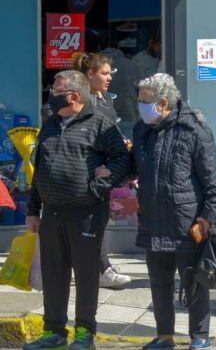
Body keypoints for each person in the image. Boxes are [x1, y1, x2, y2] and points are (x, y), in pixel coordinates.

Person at [24, 70, 131, 350]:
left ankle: (85, 333)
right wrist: (33, 209)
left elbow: (123, 160)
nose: (51, 94)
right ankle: (54, 332)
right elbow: (40, 170)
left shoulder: (100, 123)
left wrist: (99, 187)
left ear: (73, 96)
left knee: (85, 275)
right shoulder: (50, 123)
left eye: (57, 90)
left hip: (87, 213)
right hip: (52, 212)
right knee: (53, 273)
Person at [131, 73, 216, 350]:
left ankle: (199, 336)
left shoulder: (194, 130)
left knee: (194, 283)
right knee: (159, 283)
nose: (140, 106)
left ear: (163, 103)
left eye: (144, 101)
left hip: (187, 225)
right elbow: (134, 167)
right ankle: (164, 336)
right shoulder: (142, 130)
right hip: (152, 221)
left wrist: (206, 220)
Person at [73, 53, 133, 290]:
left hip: (107, 167)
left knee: (95, 220)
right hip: (92, 169)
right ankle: (103, 269)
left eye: (110, 74)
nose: (109, 78)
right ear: (90, 74)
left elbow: (109, 129)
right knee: (94, 221)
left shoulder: (104, 98)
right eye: (105, 73)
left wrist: (121, 143)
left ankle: (88, 267)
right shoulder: (84, 101)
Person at [101, 47, 143, 139]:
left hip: (102, 119)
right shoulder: (132, 65)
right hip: (129, 116)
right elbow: (144, 90)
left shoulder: (97, 67)